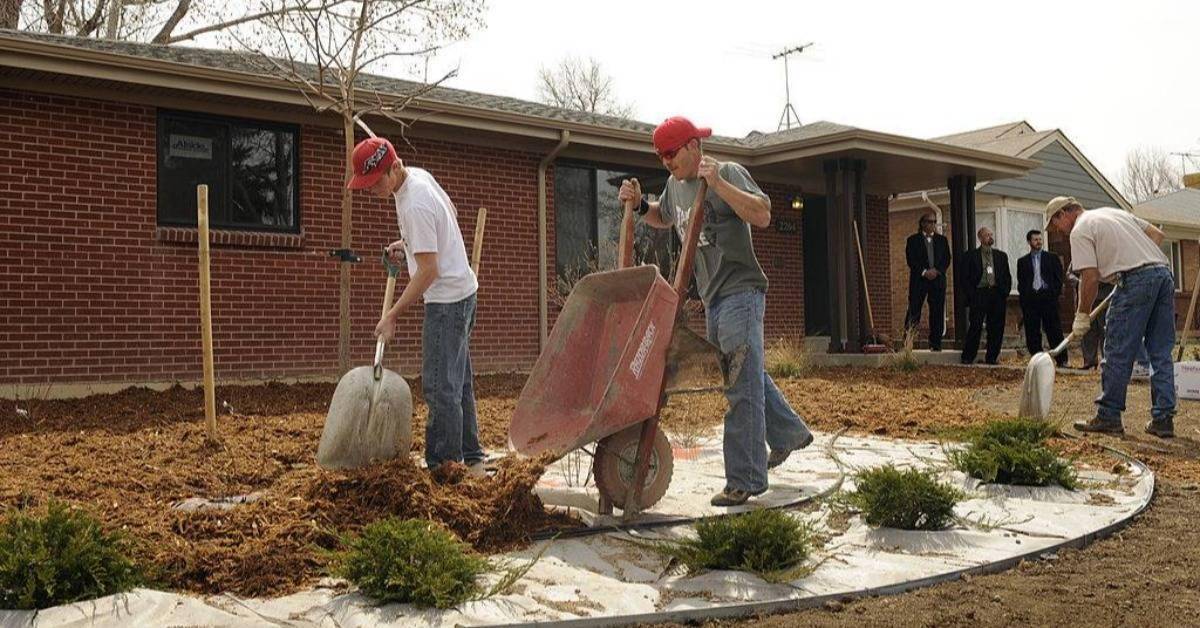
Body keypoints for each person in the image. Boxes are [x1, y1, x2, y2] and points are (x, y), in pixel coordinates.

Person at [618, 116, 814, 507]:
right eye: (661, 156)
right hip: (713, 296)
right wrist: (641, 205)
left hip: (741, 290)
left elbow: (762, 214)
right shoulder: (675, 186)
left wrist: (720, 184)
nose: (666, 162)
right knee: (745, 371)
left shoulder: (726, 172)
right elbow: (665, 216)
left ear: (693, 146)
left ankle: (745, 479)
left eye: (671, 153)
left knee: (738, 382)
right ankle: (789, 432)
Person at [347, 136, 486, 474]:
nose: (371, 190)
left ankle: (444, 468)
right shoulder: (417, 178)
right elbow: (448, 214)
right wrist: (409, 243)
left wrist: (393, 315)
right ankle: (471, 456)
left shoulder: (414, 204)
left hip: (447, 302)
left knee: (441, 387)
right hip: (465, 291)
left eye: (375, 181)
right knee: (459, 382)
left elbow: (429, 270)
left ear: (394, 168)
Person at [1046, 196, 1175, 438]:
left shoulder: (1080, 229)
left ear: (1063, 214)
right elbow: (1157, 235)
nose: (1059, 232)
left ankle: (1109, 416)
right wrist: (1138, 265)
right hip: (1162, 274)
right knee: (1160, 352)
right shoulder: (1114, 213)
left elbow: (1090, 277)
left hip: (1135, 279)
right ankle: (1163, 418)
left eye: (1056, 225)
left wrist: (1082, 315)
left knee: (1116, 350)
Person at [959, 227, 1011, 365]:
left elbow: (1006, 276)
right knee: (976, 325)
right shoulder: (970, 256)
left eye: (991, 234)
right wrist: (972, 294)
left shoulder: (1001, 256)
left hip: (996, 293)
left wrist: (1004, 293)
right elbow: (965, 278)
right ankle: (968, 356)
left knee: (996, 327)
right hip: (980, 293)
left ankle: (992, 357)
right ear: (980, 238)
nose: (990, 237)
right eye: (987, 235)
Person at [1017, 229, 1067, 366]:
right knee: (1032, 330)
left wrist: (1054, 294)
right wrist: (1024, 298)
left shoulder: (1052, 257)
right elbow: (1022, 282)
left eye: (1040, 239)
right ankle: (1037, 360)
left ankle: (1062, 359)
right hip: (1031, 298)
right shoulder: (1022, 262)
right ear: (1029, 242)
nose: (1038, 242)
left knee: (1054, 329)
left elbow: (1059, 278)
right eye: (1035, 239)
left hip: (1048, 298)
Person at [904, 213, 951, 350]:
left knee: (937, 312)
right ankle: (908, 342)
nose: (932, 225)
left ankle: (936, 344)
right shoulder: (913, 240)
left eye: (934, 222)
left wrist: (937, 271)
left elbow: (946, 259)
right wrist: (924, 272)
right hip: (919, 280)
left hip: (937, 280)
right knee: (914, 310)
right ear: (922, 223)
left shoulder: (942, 240)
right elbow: (911, 260)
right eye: (930, 222)